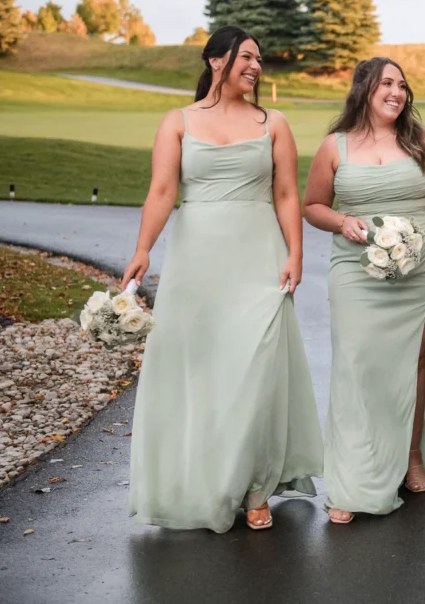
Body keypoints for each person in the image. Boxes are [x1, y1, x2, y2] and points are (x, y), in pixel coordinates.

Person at [124, 26, 323, 533]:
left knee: (255, 369)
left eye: (260, 59)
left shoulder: (272, 122)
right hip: (196, 263)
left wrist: (296, 254)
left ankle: (255, 487)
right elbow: (163, 190)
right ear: (216, 61)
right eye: (246, 57)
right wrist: (143, 249)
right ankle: (204, 479)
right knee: (203, 371)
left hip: (259, 257)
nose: (256, 66)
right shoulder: (178, 121)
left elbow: (285, 195)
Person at [302, 57, 425, 524]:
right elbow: (312, 205)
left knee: (416, 360)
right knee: (357, 365)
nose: (396, 91)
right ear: (364, 90)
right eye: (386, 83)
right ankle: (352, 479)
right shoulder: (334, 147)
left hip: (419, 268)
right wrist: (342, 220)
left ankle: (413, 455)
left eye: (402, 84)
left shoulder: (422, 141)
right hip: (355, 270)